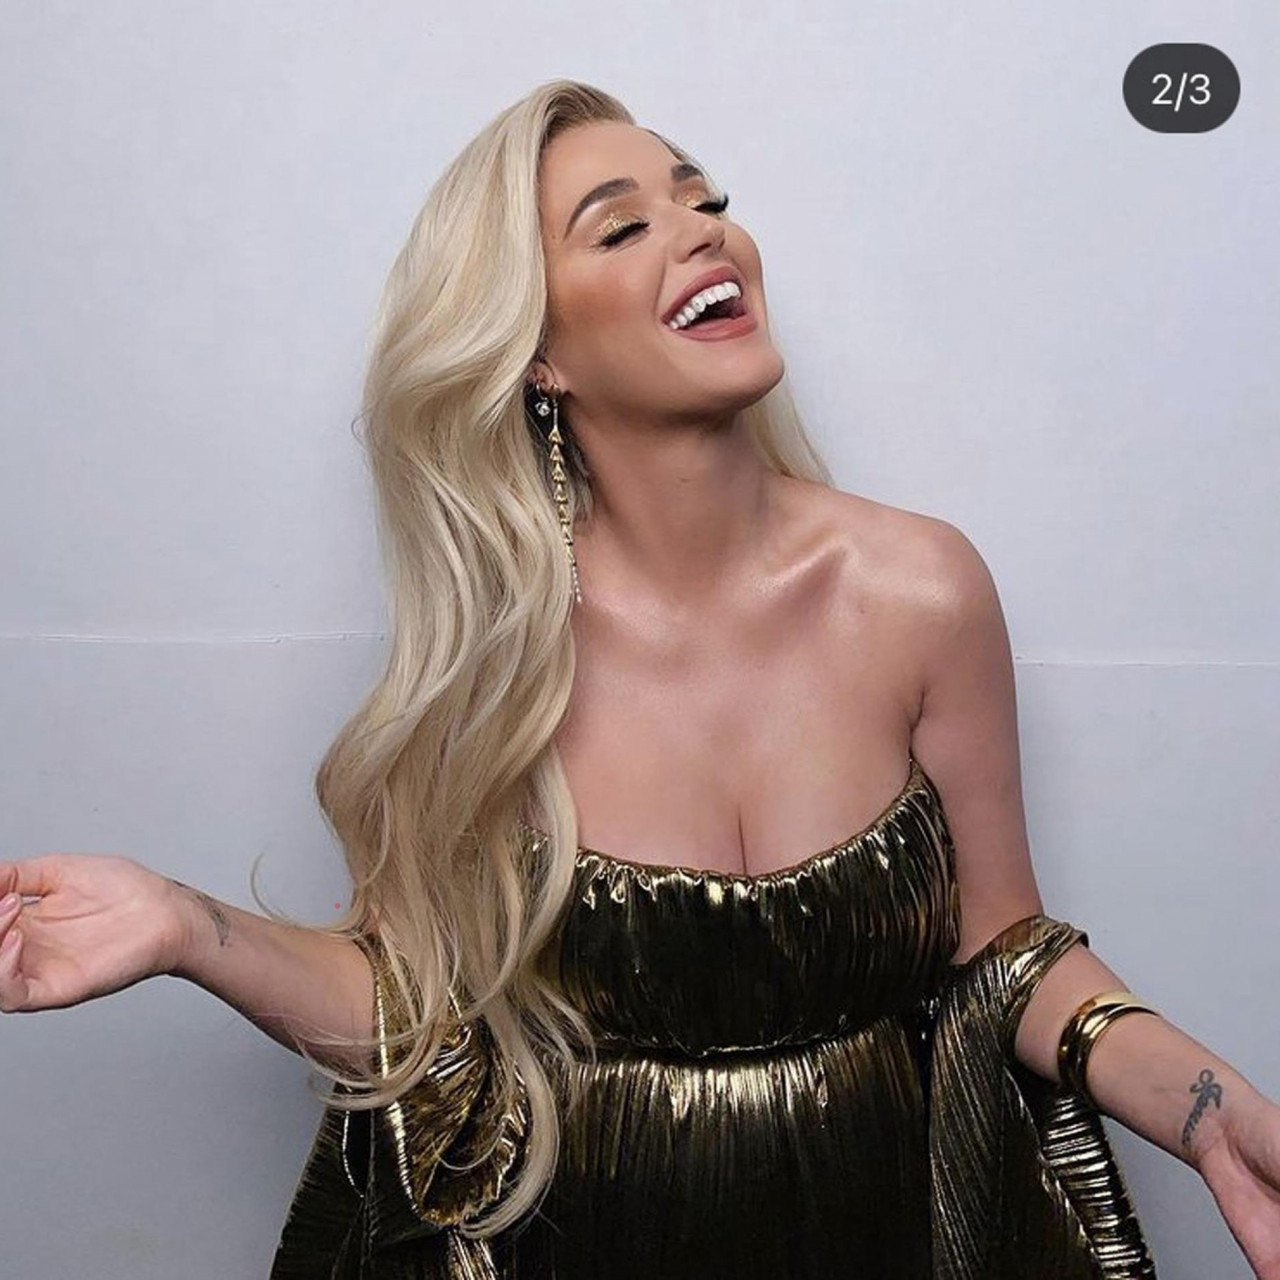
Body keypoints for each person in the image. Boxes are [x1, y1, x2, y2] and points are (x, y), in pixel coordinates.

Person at [2, 77, 1278, 1280]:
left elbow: (1002, 949)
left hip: (883, 1227)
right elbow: (416, 1021)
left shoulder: (921, 591)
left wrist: (1207, 1107)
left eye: (703, 198)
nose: (702, 232)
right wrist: (184, 928)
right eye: (620, 228)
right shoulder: (488, 672)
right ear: (535, 354)